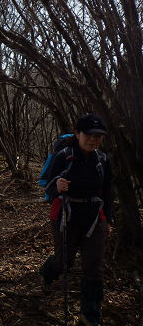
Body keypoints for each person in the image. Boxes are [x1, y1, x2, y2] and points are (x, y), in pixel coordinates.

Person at [39, 113, 113, 326]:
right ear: (79, 133)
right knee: (64, 261)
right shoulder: (64, 155)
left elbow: (107, 192)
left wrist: (107, 220)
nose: (93, 139)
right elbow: (48, 185)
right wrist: (57, 186)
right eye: (89, 134)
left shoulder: (103, 160)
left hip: (93, 218)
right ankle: (47, 273)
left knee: (94, 265)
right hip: (66, 215)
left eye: (98, 136)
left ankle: (90, 316)